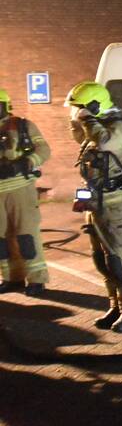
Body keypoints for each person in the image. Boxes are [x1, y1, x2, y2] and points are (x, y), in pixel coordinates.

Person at [66, 81, 122, 333]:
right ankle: (116, 305)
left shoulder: (117, 128)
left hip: (115, 202)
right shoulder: (97, 128)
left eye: (81, 108)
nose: (78, 114)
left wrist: (88, 120)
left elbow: (105, 145)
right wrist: (77, 122)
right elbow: (82, 140)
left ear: (95, 106)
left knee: (118, 257)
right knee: (102, 259)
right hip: (96, 200)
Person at [0, 88, 50, 295]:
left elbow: (44, 150)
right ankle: (12, 278)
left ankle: (37, 280)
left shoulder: (22, 126)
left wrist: (24, 163)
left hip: (20, 188)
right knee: (2, 238)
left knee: (25, 234)